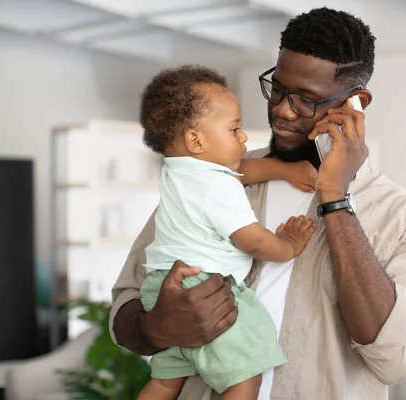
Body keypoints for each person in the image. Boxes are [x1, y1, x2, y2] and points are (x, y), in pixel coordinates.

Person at [110, 7, 406, 400]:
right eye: (279, 89)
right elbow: (127, 306)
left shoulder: (402, 217)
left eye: (306, 99)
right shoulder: (211, 176)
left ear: (355, 103)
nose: (283, 110)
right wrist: (157, 327)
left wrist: (335, 197)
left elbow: (399, 360)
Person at [135, 66, 318, 400]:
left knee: (164, 382)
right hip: (204, 292)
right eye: (234, 129)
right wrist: (288, 245)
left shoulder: (179, 171)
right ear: (196, 140)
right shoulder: (218, 187)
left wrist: (285, 170)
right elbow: (253, 241)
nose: (244, 138)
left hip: (162, 291)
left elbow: (242, 171)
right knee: (245, 378)